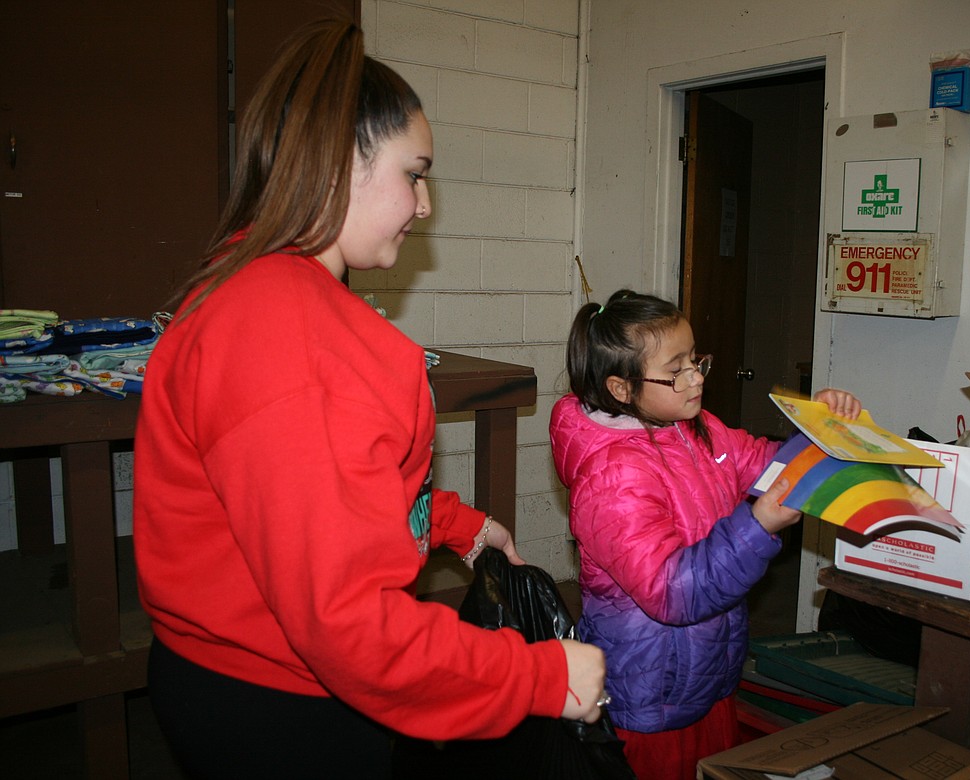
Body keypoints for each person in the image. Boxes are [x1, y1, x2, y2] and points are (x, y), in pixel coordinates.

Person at [132, 19, 605, 778]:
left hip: (239, 671)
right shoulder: (284, 330)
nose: (423, 205)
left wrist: (455, 523)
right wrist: (540, 677)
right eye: (413, 173)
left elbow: (322, 492)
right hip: (274, 700)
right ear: (339, 162)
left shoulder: (251, 290)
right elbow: (347, 621)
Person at [549, 289, 861, 780]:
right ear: (621, 389)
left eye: (695, 360)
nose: (695, 377)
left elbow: (766, 463)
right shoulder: (612, 479)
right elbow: (672, 593)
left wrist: (821, 430)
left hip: (705, 669)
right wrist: (757, 527)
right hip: (652, 692)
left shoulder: (693, 428)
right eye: (676, 370)